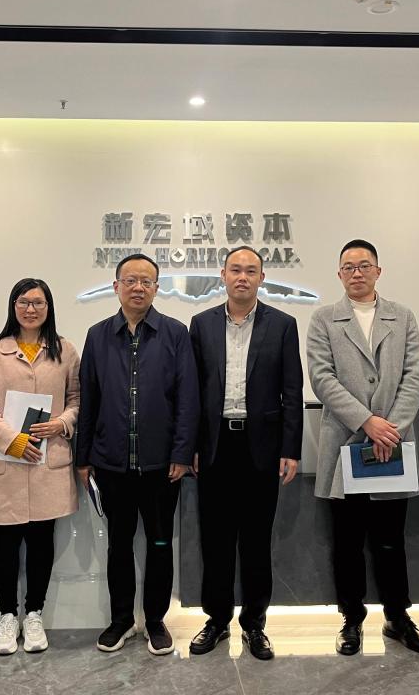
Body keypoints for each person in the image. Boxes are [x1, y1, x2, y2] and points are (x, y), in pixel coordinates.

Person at [306, 239, 419, 657]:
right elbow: (322, 377)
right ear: (339, 274)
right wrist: (366, 422)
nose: (357, 272)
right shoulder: (324, 318)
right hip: (346, 443)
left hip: (390, 445)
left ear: (378, 271)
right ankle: (351, 619)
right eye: (349, 267)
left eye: (364, 265)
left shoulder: (403, 316)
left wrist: (389, 429)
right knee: (347, 543)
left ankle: (398, 617)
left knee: (390, 540)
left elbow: (413, 376)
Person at [76, 253, 200, 656]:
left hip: (162, 465)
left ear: (157, 288)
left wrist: (182, 452)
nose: (138, 287)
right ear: (116, 286)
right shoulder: (97, 335)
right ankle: (121, 620)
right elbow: (89, 398)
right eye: (130, 280)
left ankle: (156, 620)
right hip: (111, 463)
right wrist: (83, 457)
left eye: (146, 281)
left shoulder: (175, 333)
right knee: (119, 544)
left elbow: (187, 398)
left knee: (161, 544)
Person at [187, 246, 303, 660]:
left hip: (262, 446)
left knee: (256, 541)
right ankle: (217, 620)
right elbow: (192, 391)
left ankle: (255, 624)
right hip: (215, 445)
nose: (242, 277)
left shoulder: (283, 324)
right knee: (215, 540)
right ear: (222, 275)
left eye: (250, 271)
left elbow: (292, 390)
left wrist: (290, 448)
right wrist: (191, 446)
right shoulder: (201, 324)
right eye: (235, 270)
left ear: (261, 278)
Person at [0, 278, 80, 656]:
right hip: (6, 463)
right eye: (23, 302)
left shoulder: (65, 350)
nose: (31, 309)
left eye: (38, 302)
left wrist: (62, 422)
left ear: (49, 308)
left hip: (48, 462)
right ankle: (7, 616)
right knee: (4, 541)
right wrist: (11, 440)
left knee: (40, 540)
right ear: (13, 306)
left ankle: (33, 614)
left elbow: (77, 398)